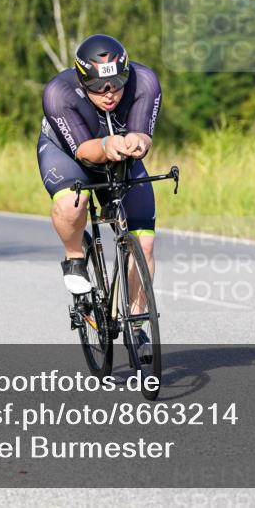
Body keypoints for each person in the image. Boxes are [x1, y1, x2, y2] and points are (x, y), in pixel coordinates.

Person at [37, 34, 161, 344]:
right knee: (72, 205)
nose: (108, 93)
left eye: (117, 82)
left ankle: (136, 326)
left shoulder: (145, 81)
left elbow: (143, 134)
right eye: (97, 86)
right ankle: (75, 258)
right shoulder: (58, 92)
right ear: (81, 80)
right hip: (69, 154)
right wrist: (108, 143)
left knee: (143, 245)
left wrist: (139, 141)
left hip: (119, 155)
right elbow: (84, 151)